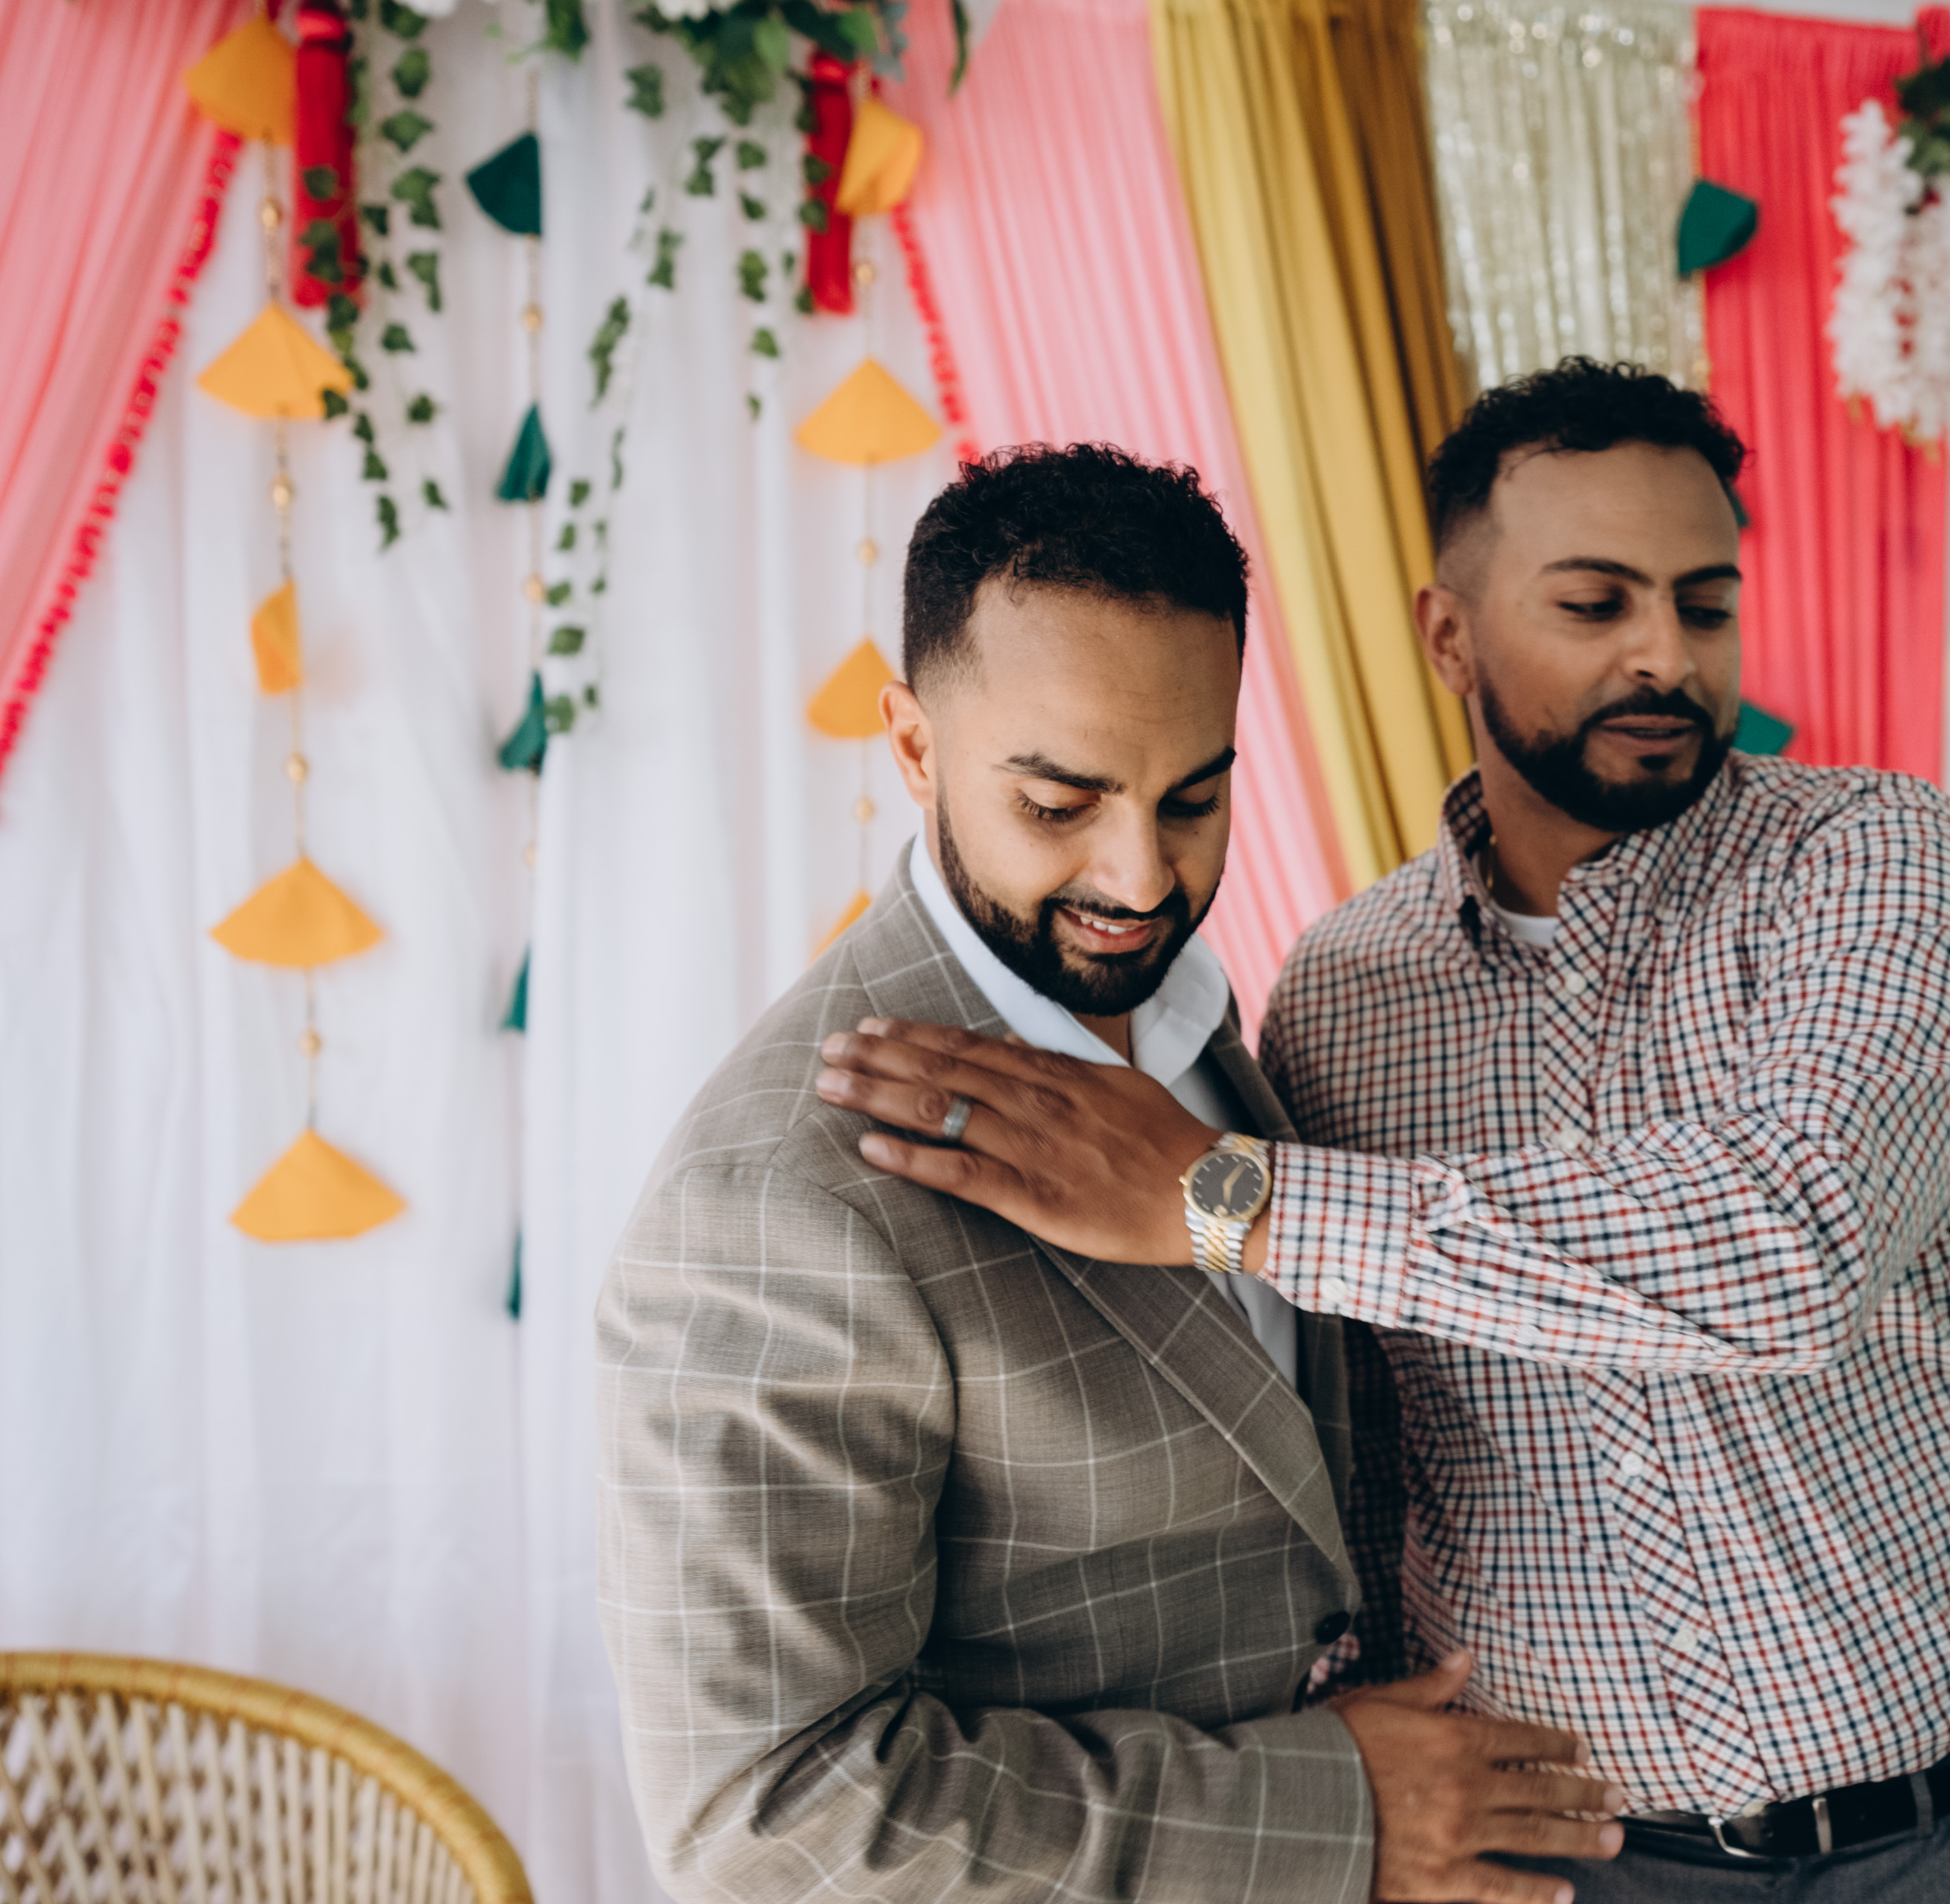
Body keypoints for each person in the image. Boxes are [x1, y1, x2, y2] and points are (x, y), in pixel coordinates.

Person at [816, 364, 1950, 1900]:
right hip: (1574, 1863)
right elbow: (1367, 1444)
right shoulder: (1342, 994)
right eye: (1595, 604)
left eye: (1704, 602)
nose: (1664, 654)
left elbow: (1790, 1248)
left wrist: (1227, 1202)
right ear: (1448, 634)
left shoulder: (1880, 867)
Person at [597, 443, 1628, 1904]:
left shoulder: (1214, 1033)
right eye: (1057, 803)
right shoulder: (777, 1197)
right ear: (913, 746)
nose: (1140, 881)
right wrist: (1337, 1813)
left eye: (1193, 800)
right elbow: (770, 1823)